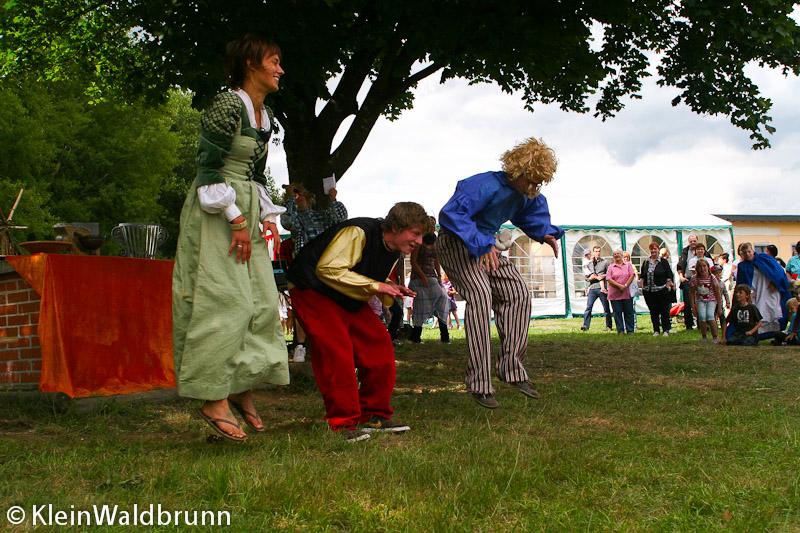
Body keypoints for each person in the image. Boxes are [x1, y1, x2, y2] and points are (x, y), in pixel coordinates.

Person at [172, 34, 289, 442]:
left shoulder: (265, 116)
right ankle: (212, 396)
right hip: (216, 210)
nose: (280, 69)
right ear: (251, 63)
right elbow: (208, 169)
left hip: (246, 208)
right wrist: (235, 218)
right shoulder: (227, 105)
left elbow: (255, 175)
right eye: (274, 61)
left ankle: (240, 385)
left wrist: (267, 216)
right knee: (225, 300)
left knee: (261, 301)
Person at [436, 137, 562, 409]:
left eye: (539, 183)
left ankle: (511, 369)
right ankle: (479, 383)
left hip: (487, 245)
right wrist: (481, 244)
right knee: (480, 295)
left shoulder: (525, 194)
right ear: (517, 172)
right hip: (456, 242)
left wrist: (545, 233)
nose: (534, 188)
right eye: (531, 181)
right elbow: (450, 214)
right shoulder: (483, 185)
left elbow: (532, 214)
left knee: (518, 293)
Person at [287, 202, 429, 442]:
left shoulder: (393, 248)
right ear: (396, 227)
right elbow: (328, 269)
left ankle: (373, 415)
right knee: (336, 351)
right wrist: (376, 285)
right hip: (311, 288)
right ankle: (342, 423)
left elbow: (359, 270)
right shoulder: (358, 232)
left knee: (379, 344)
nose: (419, 241)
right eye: (415, 233)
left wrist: (389, 285)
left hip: (343, 294)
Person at [280, 183, 348, 363]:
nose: (298, 197)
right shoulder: (296, 218)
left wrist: (333, 199)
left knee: (327, 307)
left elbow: (341, 218)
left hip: (324, 267)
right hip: (303, 268)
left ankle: (328, 345)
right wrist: (289, 198)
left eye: (300, 194)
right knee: (303, 308)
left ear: (309, 197)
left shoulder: (322, 216)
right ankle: (300, 346)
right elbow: (287, 221)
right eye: (296, 195)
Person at [735, 242, 791, 339]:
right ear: (742, 254)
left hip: (769, 290)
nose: (747, 254)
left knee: (771, 310)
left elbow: (778, 271)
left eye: (749, 251)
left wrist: (775, 282)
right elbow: (741, 283)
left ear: (753, 250)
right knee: (759, 312)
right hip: (755, 292)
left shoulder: (765, 258)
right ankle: (758, 334)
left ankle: (775, 333)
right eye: (744, 253)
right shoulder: (742, 266)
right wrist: (746, 294)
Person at [408, 231, 450, 343]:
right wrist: (423, 277)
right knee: (420, 306)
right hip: (418, 279)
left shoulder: (435, 243)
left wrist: (439, 276)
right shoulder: (419, 244)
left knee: (443, 300)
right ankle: (416, 337)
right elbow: (413, 261)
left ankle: (445, 337)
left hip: (432, 278)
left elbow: (436, 261)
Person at [639, 241, 676, 336]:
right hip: (649, 291)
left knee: (664, 311)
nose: (653, 251)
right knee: (653, 311)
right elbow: (642, 275)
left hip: (661, 290)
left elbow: (669, 274)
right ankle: (656, 330)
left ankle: (666, 330)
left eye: (655, 249)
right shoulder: (646, 262)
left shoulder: (663, 262)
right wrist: (642, 285)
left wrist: (668, 284)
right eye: (651, 249)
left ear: (658, 250)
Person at [677, 234, 711, 330]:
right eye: (691, 241)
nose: (693, 243)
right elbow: (680, 266)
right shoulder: (685, 251)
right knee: (688, 303)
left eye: (694, 241)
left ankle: (702, 324)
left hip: (703, 281)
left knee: (702, 301)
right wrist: (681, 277)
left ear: (697, 241)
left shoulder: (704, 252)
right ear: (689, 242)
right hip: (689, 280)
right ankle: (689, 325)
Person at [689, 259, 723, 343]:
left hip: (711, 300)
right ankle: (704, 336)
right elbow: (692, 293)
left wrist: (719, 307)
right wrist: (693, 306)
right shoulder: (694, 279)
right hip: (700, 300)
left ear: (708, 267)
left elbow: (717, 293)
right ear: (697, 268)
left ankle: (715, 336)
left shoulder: (712, 278)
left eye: (704, 266)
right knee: (702, 317)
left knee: (710, 315)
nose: (702, 268)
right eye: (700, 266)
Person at [581, 245, 613, 332]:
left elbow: (610, 274)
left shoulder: (605, 262)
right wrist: (591, 278)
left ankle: (609, 326)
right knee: (588, 307)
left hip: (602, 289)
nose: (597, 253)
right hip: (592, 288)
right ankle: (585, 326)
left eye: (599, 251)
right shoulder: (589, 263)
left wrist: (603, 276)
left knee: (606, 308)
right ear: (593, 252)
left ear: (600, 252)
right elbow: (586, 278)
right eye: (595, 251)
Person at [606, 249, 636, 334]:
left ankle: (630, 330)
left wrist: (625, 285)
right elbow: (608, 279)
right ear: (613, 256)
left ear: (622, 255)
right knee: (617, 313)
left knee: (629, 312)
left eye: (618, 253)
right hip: (614, 294)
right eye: (615, 254)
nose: (616, 255)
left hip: (627, 293)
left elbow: (632, 275)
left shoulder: (628, 265)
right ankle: (620, 330)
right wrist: (619, 286)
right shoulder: (611, 267)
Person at [623, 250, 640, 330]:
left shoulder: (632, 266)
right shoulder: (621, 266)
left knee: (632, 307)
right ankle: (625, 325)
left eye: (627, 257)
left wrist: (635, 283)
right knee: (624, 308)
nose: (625, 259)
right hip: (624, 289)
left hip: (632, 289)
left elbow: (636, 275)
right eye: (624, 257)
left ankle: (634, 324)